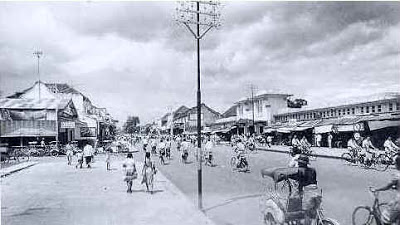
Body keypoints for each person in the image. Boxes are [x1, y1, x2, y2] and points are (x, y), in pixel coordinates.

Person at [371, 155, 400, 224]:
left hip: (398, 202)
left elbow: (387, 186)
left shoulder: (397, 175)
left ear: (397, 165)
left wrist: (377, 189)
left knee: (385, 218)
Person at [295, 155, 321, 225]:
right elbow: (314, 181)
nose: (298, 164)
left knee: (306, 213)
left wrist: (299, 193)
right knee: (315, 210)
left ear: (301, 163)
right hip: (317, 192)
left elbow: (300, 184)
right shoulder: (313, 170)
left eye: (299, 163)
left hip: (309, 193)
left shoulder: (300, 171)